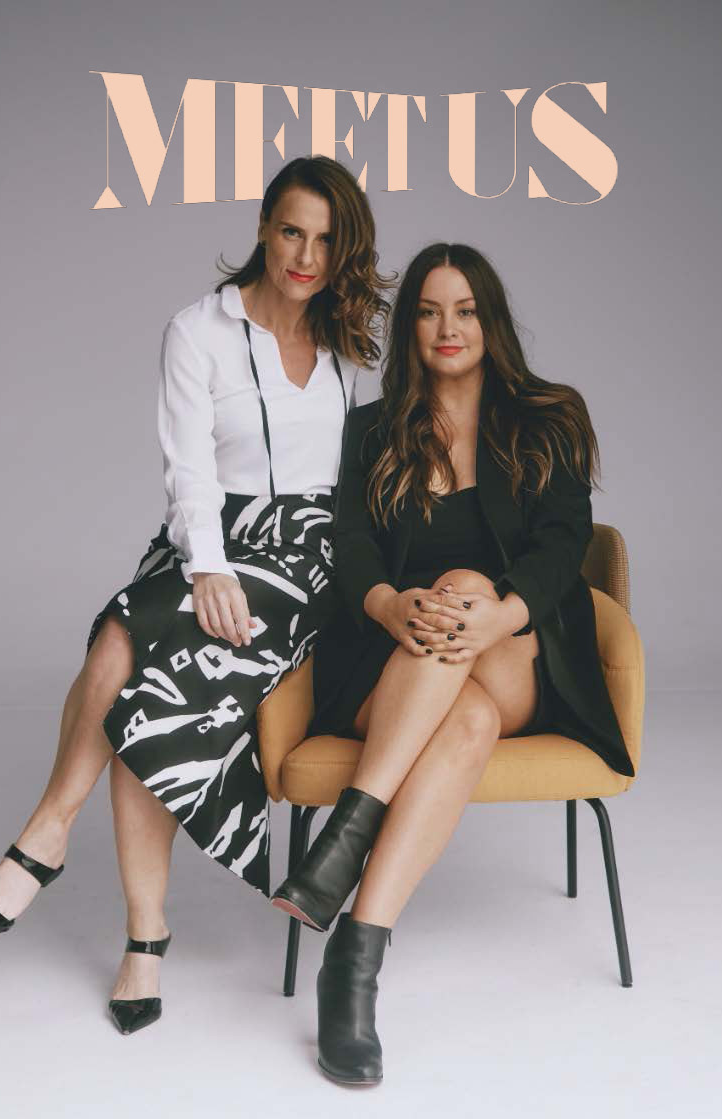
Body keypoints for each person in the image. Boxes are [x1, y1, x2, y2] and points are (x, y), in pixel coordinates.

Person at [0, 156, 390, 1037]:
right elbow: (188, 469)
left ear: (344, 251)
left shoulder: (348, 346)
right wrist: (208, 565)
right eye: (291, 231)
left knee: (136, 656)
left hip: (308, 562)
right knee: (124, 632)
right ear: (263, 228)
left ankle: (69, 870)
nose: (305, 256)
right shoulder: (198, 330)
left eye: (325, 240)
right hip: (209, 539)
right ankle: (81, 866)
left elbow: (357, 483)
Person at [269, 243, 633, 1085]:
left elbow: (562, 542)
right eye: (430, 311)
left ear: (489, 319)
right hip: (395, 666)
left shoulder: (549, 418)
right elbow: (350, 544)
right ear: (410, 328)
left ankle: (342, 843)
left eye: (464, 310)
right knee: (463, 717)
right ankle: (352, 961)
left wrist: (500, 610)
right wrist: (386, 604)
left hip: (514, 655)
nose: (447, 327)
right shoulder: (372, 430)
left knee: (467, 587)